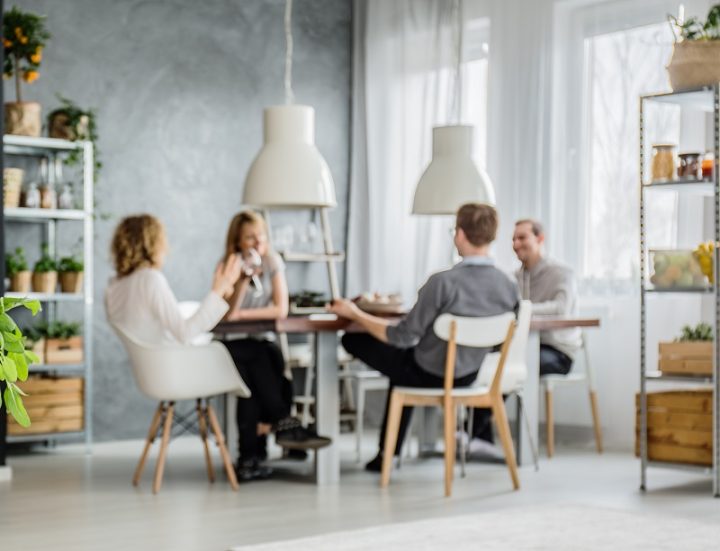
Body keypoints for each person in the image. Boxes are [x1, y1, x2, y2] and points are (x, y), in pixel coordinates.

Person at [104, 214, 328, 485]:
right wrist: (220, 288)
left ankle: (253, 455)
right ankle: (283, 423)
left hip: (155, 370)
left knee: (260, 354)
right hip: (176, 369)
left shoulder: (114, 287)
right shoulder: (150, 279)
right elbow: (185, 332)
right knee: (258, 352)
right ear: (152, 243)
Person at [327, 203, 519, 472]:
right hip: (469, 375)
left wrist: (355, 313)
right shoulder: (509, 285)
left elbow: (402, 336)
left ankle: (387, 455)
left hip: (428, 372)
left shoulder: (442, 282)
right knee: (402, 370)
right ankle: (388, 455)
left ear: (460, 235)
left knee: (355, 341)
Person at [220, 210, 330, 481]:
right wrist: (244, 278)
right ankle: (285, 424)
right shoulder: (228, 266)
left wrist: (241, 316)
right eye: (250, 237)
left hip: (260, 346)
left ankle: (250, 458)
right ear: (237, 241)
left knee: (266, 363)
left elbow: (280, 309)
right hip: (227, 348)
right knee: (261, 358)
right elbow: (225, 313)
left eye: (261, 236)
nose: (258, 243)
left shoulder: (272, 262)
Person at [470, 218, 582, 453]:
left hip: (557, 351)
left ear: (540, 239)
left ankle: (476, 434)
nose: (516, 243)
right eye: (513, 239)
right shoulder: (513, 278)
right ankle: (478, 437)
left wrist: (522, 309)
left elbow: (561, 308)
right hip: (522, 347)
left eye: (522, 238)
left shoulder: (562, 274)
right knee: (488, 362)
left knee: (511, 366)